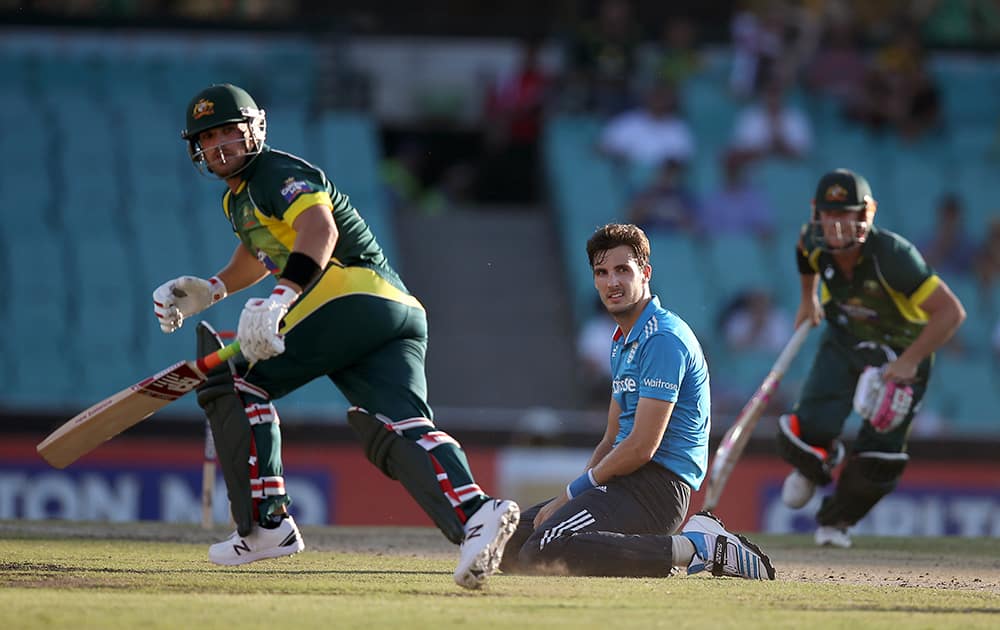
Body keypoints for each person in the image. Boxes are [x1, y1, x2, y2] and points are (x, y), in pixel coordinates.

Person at [151, 84, 519, 589]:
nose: (219, 148)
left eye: (228, 134)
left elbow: (318, 232)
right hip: (394, 310)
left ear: (254, 128)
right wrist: (214, 288)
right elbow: (258, 249)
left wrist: (282, 299)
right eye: (207, 139)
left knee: (234, 382)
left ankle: (266, 525)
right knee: (395, 424)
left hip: (348, 291)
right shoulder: (237, 201)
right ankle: (478, 513)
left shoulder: (273, 172)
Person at [500, 223, 774, 580]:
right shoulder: (622, 340)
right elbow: (612, 438)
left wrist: (569, 495)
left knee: (543, 550)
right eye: (601, 272)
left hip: (656, 490)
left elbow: (642, 446)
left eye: (622, 270)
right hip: (622, 481)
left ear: (644, 273)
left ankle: (696, 548)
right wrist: (578, 495)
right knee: (503, 545)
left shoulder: (662, 339)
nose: (611, 282)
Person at [777, 169, 966, 548]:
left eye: (847, 213)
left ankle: (837, 522)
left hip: (902, 350)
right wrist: (807, 299)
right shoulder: (811, 238)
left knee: (880, 451)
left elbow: (951, 313)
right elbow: (804, 254)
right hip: (846, 337)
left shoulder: (893, 257)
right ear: (817, 213)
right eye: (830, 214)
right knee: (811, 421)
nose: (837, 224)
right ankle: (815, 466)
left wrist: (909, 361)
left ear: (867, 214)